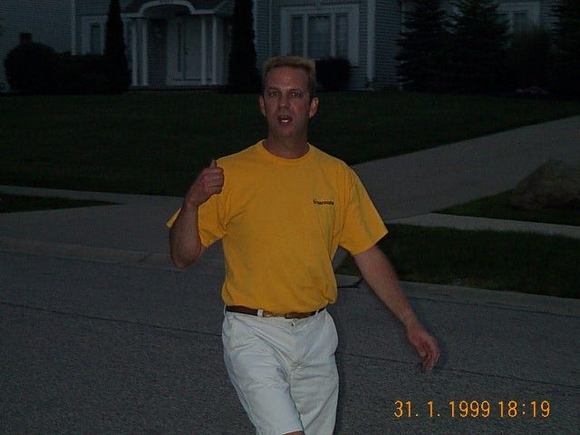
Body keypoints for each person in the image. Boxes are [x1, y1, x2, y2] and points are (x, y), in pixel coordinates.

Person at [167, 56, 440, 435]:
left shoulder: (337, 176)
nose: (284, 104)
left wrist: (410, 321)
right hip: (253, 334)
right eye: (274, 94)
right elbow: (182, 257)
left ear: (312, 106)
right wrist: (192, 203)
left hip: (316, 338)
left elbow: (367, 254)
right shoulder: (230, 174)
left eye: (295, 95)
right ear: (262, 104)